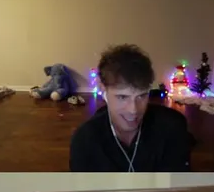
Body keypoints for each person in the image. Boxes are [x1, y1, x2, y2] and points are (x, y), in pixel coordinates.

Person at [68, 44, 192, 172]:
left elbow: (177, 181)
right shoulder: (85, 140)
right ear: (103, 90)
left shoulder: (172, 127)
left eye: (141, 96)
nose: (133, 110)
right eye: (122, 97)